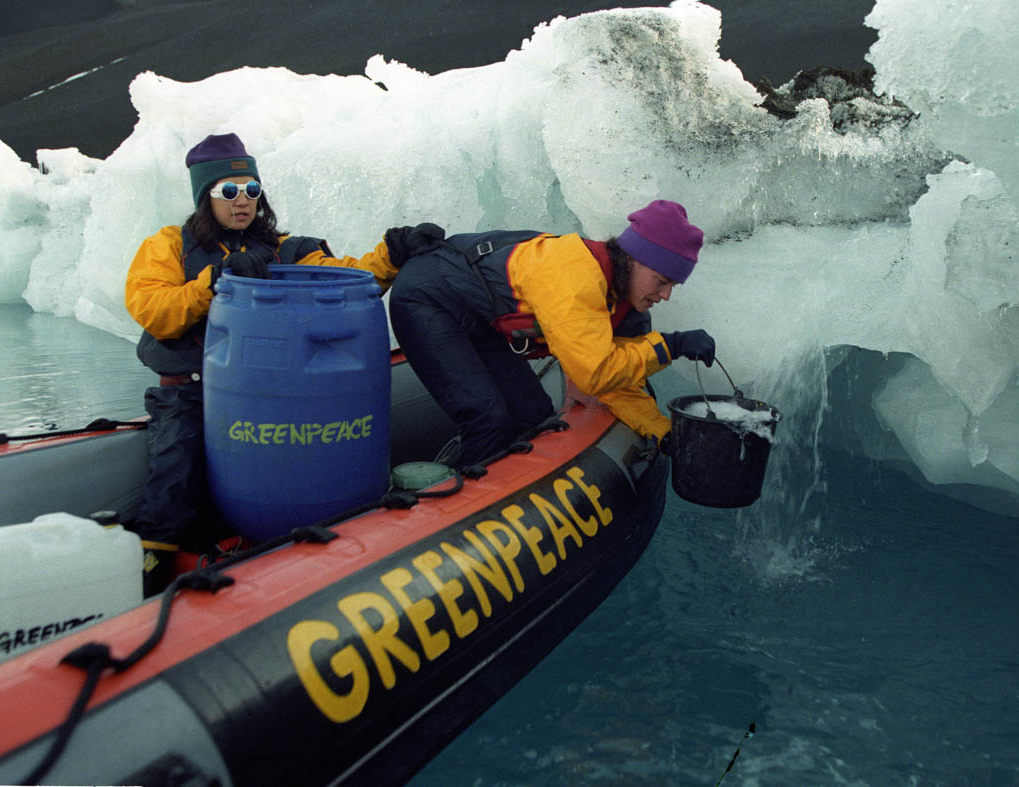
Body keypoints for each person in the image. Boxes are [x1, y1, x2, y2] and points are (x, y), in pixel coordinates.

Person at [124, 132, 401, 593]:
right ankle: (152, 570)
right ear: (204, 197)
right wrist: (211, 282)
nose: (242, 202)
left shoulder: (284, 248)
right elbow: (154, 308)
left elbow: (345, 276)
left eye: (251, 190)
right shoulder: (170, 246)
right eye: (228, 192)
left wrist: (393, 254)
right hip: (189, 391)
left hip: (269, 398)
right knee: (177, 470)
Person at [388, 199, 716, 468]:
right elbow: (596, 374)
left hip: (476, 319)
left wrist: (663, 431)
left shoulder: (625, 306)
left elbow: (619, 384)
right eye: (662, 280)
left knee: (533, 415)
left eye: (674, 285)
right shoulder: (576, 276)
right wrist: (671, 346)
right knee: (487, 418)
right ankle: (461, 519)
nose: (666, 295)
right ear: (633, 259)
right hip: (427, 298)